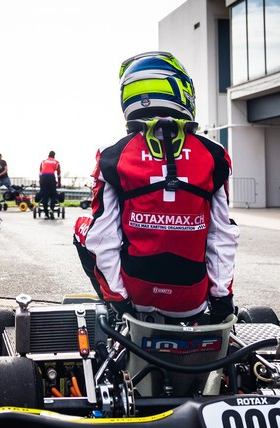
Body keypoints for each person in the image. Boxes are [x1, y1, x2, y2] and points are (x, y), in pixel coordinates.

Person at [73, 51, 238, 324]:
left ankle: (111, 302)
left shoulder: (112, 155)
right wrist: (222, 303)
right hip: (191, 302)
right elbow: (222, 237)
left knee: (83, 228)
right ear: (181, 92)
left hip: (136, 300)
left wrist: (120, 302)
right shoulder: (215, 154)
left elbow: (101, 238)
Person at [38, 150, 61, 219]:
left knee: (45, 196)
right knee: (53, 195)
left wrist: (40, 181)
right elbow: (59, 174)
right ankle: (51, 209)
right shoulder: (56, 162)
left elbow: (40, 172)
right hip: (51, 177)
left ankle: (46, 214)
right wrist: (59, 182)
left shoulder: (43, 161)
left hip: (43, 177)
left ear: (48, 155)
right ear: (54, 156)